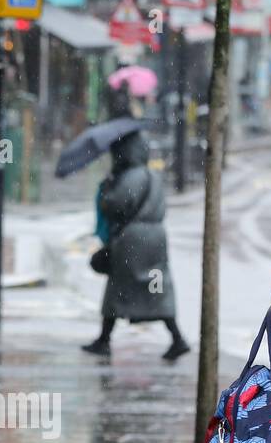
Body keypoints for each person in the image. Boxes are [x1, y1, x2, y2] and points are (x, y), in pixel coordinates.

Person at [81, 130, 190, 361]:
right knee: (157, 288)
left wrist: (108, 189)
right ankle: (176, 337)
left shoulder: (130, 177)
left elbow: (114, 205)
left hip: (132, 239)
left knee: (117, 288)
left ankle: (104, 339)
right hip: (156, 237)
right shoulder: (153, 175)